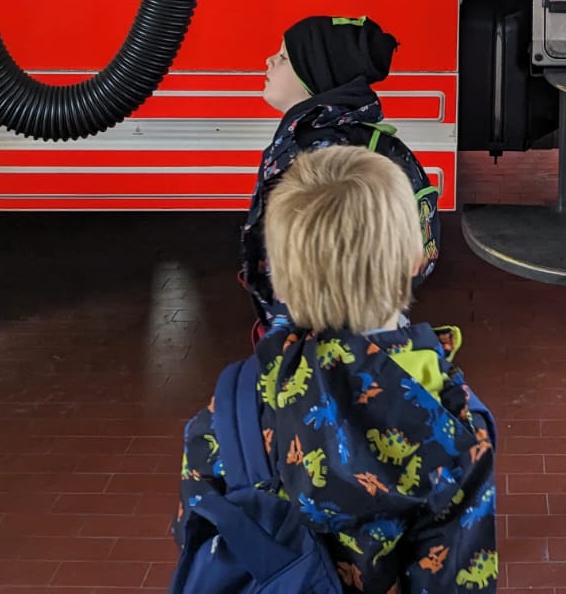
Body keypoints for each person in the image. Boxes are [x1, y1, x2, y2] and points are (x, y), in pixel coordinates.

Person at [179, 146, 497, 592]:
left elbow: (196, 529)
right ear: (414, 262)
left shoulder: (232, 403)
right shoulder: (457, 423)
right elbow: (460, 576)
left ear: (282, 281)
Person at [240, 14, 440, 331]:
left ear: (316, 77)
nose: (269, 61)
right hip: (376, 321)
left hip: (315, 329)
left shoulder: (316, 158)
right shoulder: (374, 142)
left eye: (283, 57)